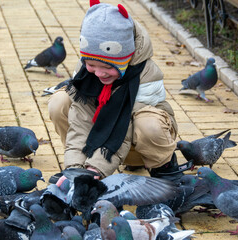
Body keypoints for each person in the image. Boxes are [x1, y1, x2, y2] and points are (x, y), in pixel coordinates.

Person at [48, 0, 189, 186]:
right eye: (91, 65)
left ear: (125, 59)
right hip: (102, 144)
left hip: (137, 146)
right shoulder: (85, 72)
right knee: (60, 101)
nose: (98, 73)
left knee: (148, 124)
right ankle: (80, 166)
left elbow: (122, 128)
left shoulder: (145, 75)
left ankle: (164, 169)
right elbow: (81, 119)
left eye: (107, 67)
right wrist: (75, 167)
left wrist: (96, 169)